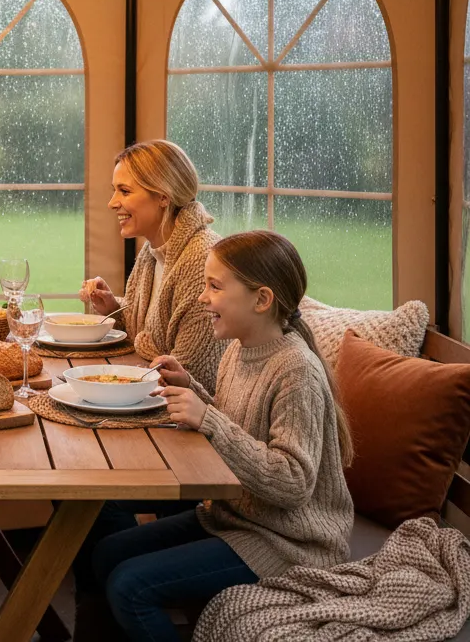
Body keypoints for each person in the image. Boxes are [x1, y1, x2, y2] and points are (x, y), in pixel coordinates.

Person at [87, 230, 355, 641]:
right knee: (106, 552)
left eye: (214, 286)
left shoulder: (295, 370)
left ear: (261, 300)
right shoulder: (239, 348)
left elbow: (292, 483)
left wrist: (208, 421)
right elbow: (242, 424)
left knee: (130, 585)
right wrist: (192, 388)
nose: (201, 297)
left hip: (289, 544)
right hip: (233, 516)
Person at [81, 139, 225, 393]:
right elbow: (147, 331)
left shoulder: (201, 261)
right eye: (114, 190)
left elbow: (189, 374)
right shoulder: (153, 250)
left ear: (162, 197)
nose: (112, 202)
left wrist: (142, 343)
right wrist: (114, 308)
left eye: (124, 191)